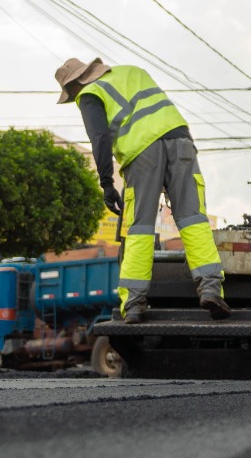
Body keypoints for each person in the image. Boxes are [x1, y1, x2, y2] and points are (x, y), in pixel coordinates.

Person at [54, 58, 230, 323]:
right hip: (181, 141)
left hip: (142, 155)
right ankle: (210, 289)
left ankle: (134, 304)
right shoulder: (133, 72)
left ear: (77, 83)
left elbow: (100, 138)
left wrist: (106, 183)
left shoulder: (89, 93)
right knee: (194, 220)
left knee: (140, 228)